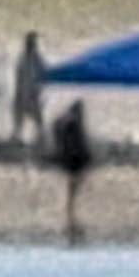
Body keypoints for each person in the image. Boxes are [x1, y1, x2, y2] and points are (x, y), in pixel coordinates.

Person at [48, 98, 96, 244]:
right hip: (74, 164)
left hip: (69, 162)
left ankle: (69, 220)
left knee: (70, 195)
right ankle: (69, 221)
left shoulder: (62, 122)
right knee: (71, 195)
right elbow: (80, 147)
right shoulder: (73, 124)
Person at [13, 31, 48, 152]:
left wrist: (40, 90)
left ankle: (41, 137)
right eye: (29, 42)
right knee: (19, 116)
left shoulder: (37, 58)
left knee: (38, 117)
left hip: (33, 93)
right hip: (22, 92)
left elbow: (44, 73)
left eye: (31, 42)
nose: (30, 45)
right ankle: (17, 136)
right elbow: (18, 75)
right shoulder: (23, 57)